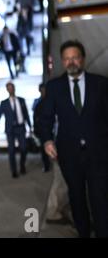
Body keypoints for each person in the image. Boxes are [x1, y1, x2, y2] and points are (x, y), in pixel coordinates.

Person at [40, 40, 108, 238]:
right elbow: (45, 118)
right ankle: (84, 233)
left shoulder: (101, 84)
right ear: (62, 61)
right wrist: (47, 140)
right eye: (67, 59)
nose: (71, 62)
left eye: (75, 58)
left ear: (83, 59)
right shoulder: (54, 87)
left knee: (100, 199)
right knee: (76, 199)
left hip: (99, 154)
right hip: (69, 155)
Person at [0, 82, 32, 178]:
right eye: (9, 88)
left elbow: (26, 114)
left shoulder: (21, 100)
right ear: (7, 90)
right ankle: (14, 171)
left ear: (14, 88)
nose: (11, 89)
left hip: (20, 127)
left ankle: (22, 165)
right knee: (11, 150)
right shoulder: (4, 103)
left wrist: (30, 126)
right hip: (10, 129)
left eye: (12, 87)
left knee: (24, 148)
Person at [32, 83, 50, 172]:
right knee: (44, 149)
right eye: (42, 90)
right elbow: (35, 117)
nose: (43, 92)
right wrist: (35, 129)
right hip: (42, 129)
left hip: (51, 128)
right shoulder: (37, 102)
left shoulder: (51, 101)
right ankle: (46, 165)